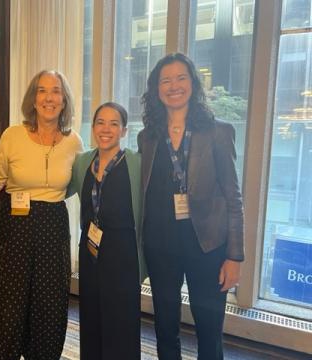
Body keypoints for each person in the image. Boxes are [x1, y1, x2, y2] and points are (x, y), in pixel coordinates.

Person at [139, 53, 244, 359]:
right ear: (157, 89)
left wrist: (234, 256)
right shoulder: (148, 137)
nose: (174, 85)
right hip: (161, 246)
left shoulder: (218, 132)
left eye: (181, 77)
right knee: (165, 326)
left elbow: (234, 197)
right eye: (165, 80)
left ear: (193, 83)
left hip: (208, 245)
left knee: (209, 329)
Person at [0, 70, 83, 360]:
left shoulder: (74, 141)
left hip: (53, 226)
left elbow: (75, 185)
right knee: (7, 305)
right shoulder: (12, 135)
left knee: (49, 304)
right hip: (15, 226)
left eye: (56, 91)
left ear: (64, 100)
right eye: (42, 90)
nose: (49, 97)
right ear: (33, 98)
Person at [69, 102, 147, 360]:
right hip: (91, 251)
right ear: (92, 128)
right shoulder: (83, 162)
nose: (106, 129)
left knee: (121, 322)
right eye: (101, 122)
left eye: (114, 124)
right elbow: (59, 187)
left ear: (124, 130)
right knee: (91, 317)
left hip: (123, 254)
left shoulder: (136, 163)